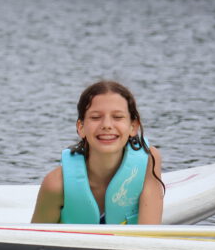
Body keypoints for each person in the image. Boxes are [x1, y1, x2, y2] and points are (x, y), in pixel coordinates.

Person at [31, 80, 164, 225]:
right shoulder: (56, 185)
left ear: (133, 126)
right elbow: (33, 243)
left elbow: (148, 231)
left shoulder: (148, 161)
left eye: (118, 117)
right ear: (81, 127)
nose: (106, 125)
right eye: (95, 117)